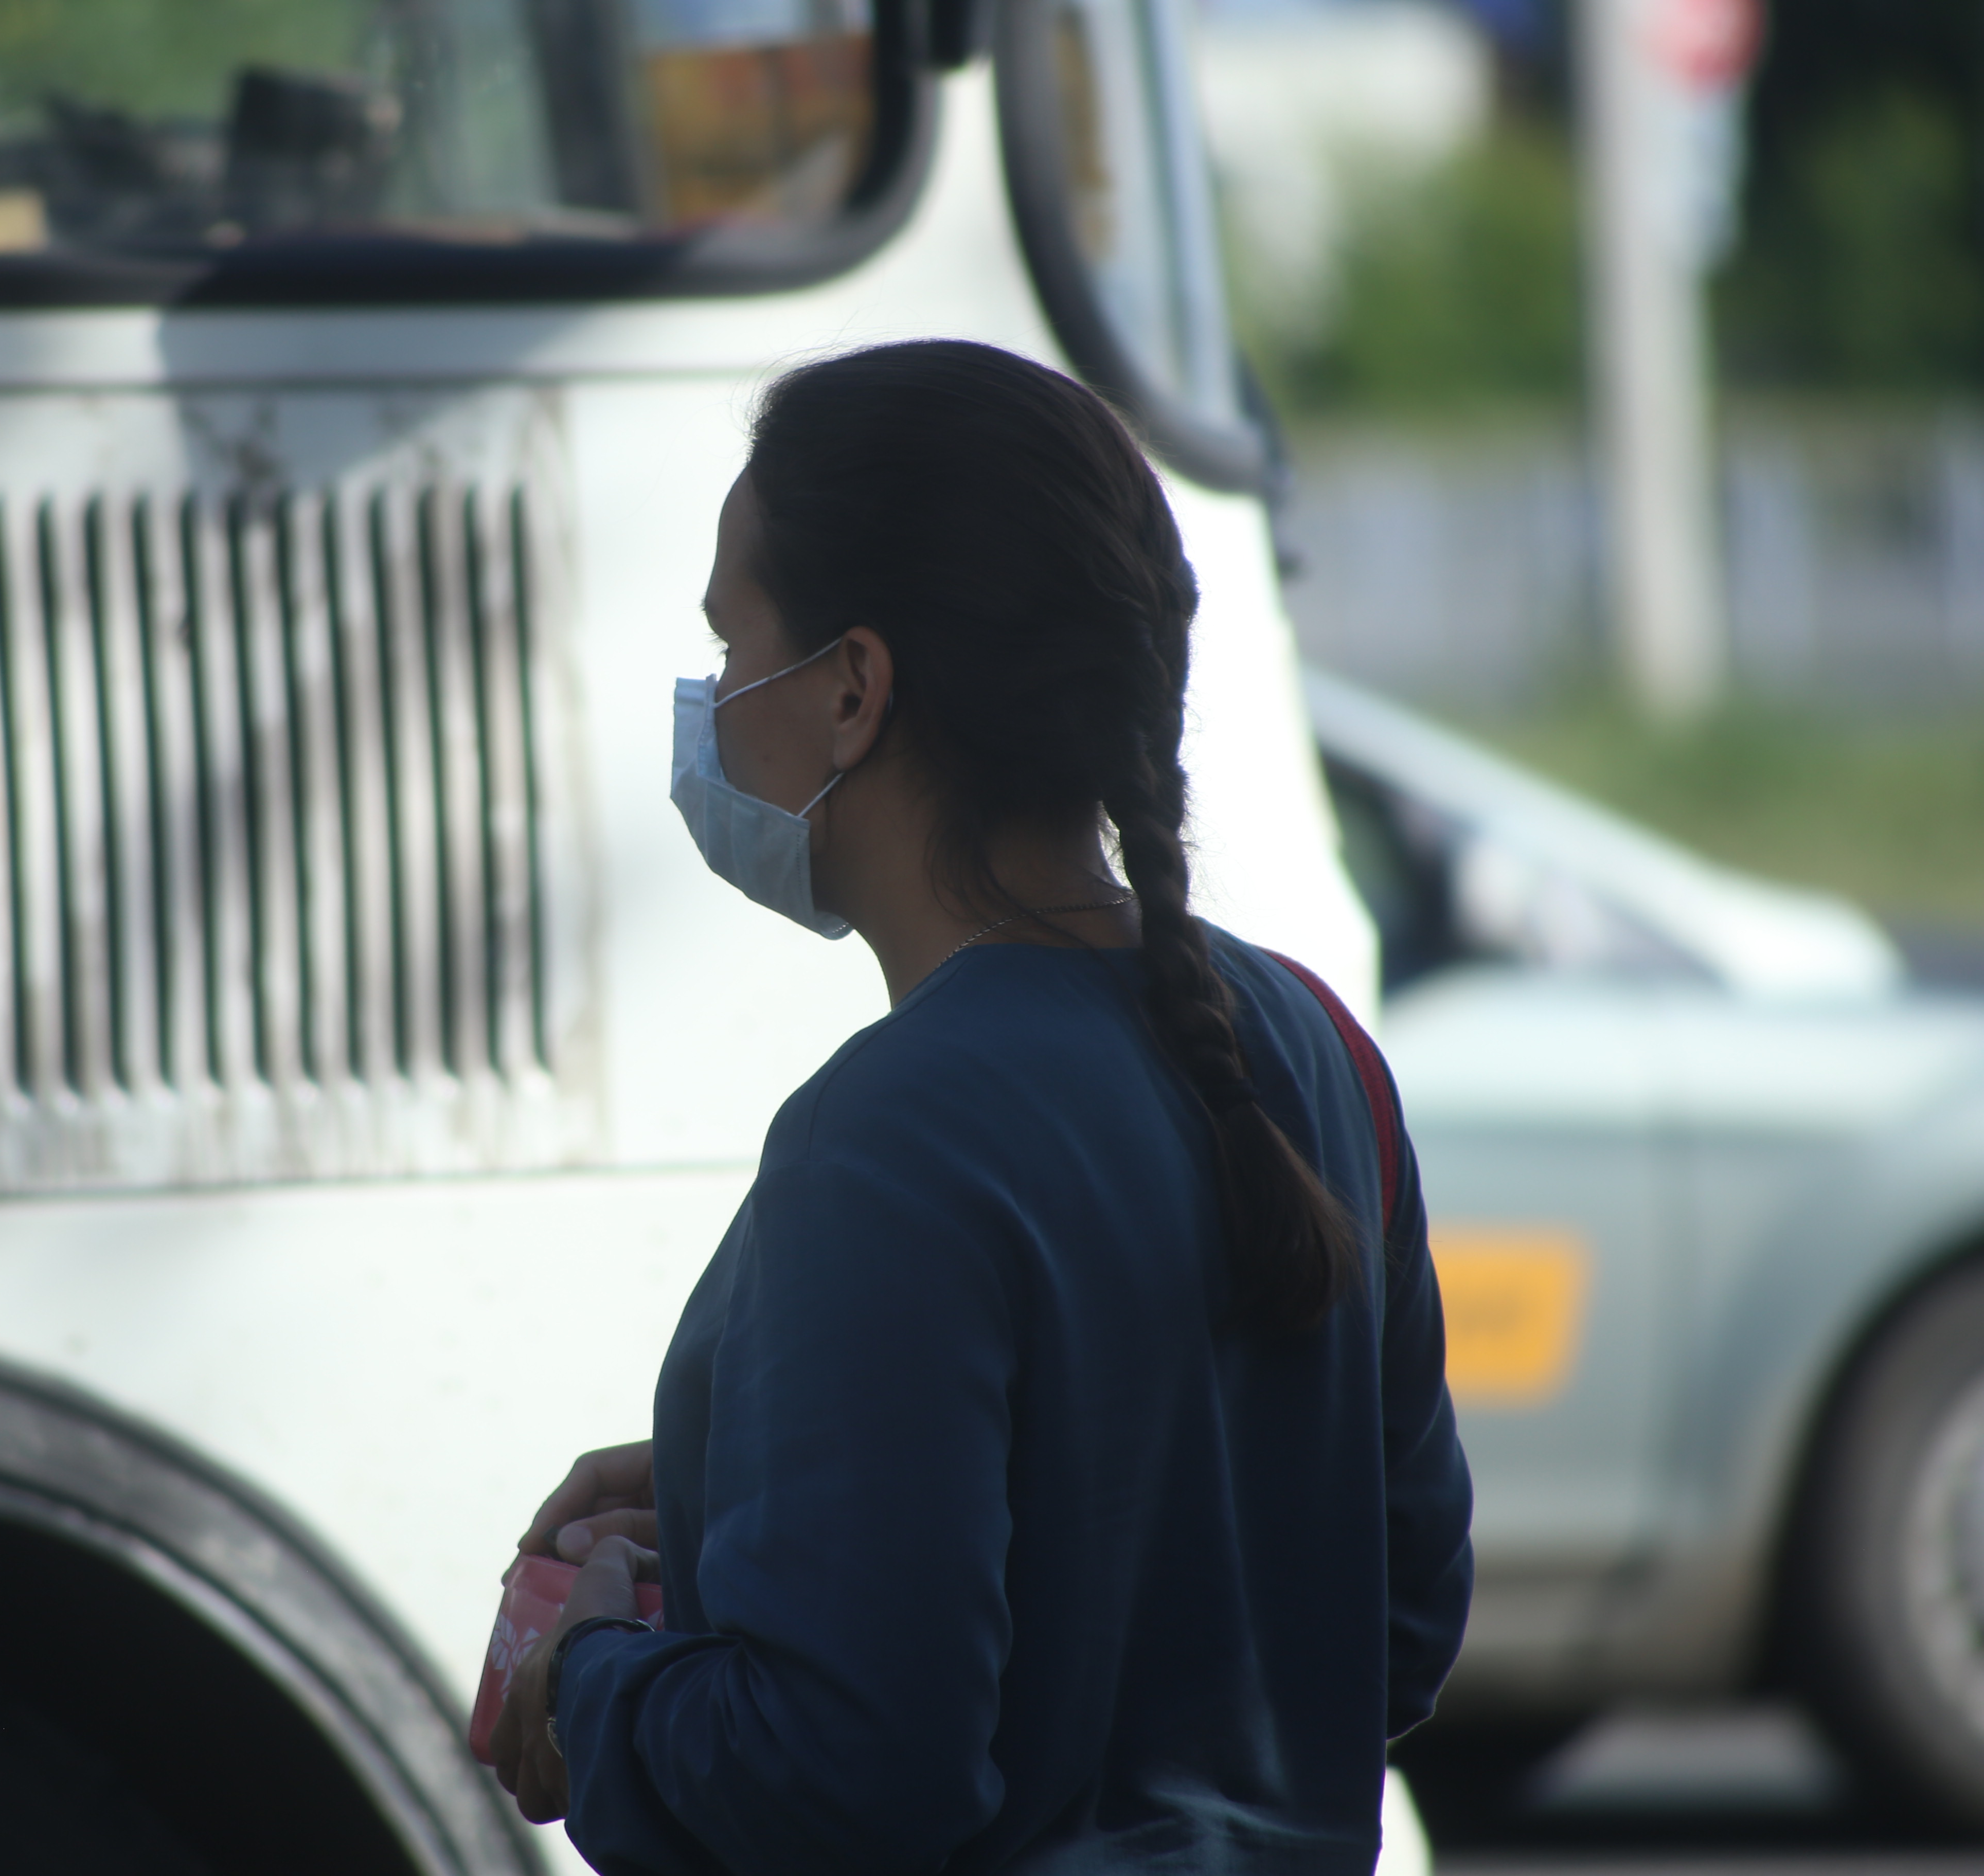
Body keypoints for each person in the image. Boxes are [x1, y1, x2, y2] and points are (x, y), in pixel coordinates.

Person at [485, 340, 1472, 1874]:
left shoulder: (887, 1141)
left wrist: (591, 1678)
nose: (711, 700)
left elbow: (842, 1778)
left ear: (853, 689)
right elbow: (1392, 1629)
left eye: (731, 642)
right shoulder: (1319, 1049)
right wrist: (758, 1495)